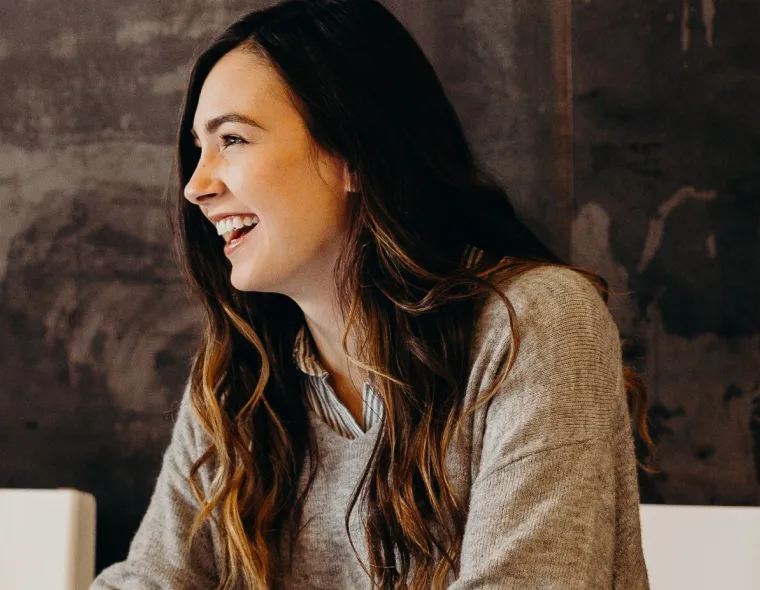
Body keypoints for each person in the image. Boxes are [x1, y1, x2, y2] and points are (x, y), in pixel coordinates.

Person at [90, 0, 653, 588]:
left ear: (354, 155)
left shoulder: (534, 323)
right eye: (198, 150)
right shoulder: (240, 372)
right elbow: (151, 579)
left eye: (232, 139)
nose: (196, 187)